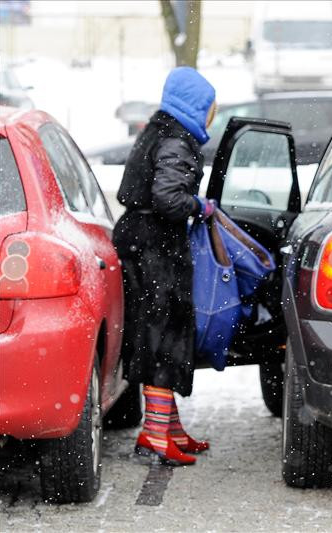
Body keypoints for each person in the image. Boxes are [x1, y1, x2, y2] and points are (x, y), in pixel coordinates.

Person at [112, 67, 217, 466]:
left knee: (157, 332)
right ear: (196, 105)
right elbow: (168, 199)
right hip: (155, 247)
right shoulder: (177, 139)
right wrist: (201, 206)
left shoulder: (160, 130)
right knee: (161, 335)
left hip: (142, 241)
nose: (211, 113)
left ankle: (165, 427)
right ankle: (156, 435)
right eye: (209, 105)